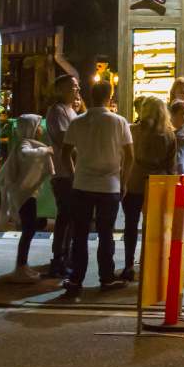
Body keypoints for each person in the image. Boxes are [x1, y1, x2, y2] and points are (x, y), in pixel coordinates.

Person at [60, 80, 134, 298]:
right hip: (110, 186)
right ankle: (106, 278)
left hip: (82, 184)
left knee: (80, 234)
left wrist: (74, 174)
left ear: (90, 96)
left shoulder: (78, 121)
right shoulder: (119, 122)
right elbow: (130, 156)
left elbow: (65, 153)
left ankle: (76, 279)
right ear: (109, 97)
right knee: (106, 234)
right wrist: (124, 181)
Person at [121, 96, 176, 282]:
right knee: (152, 227)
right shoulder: (169, 135)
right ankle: (149, 264)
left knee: (130, 225)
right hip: (157, 184)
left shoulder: (132, 130)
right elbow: (171, 166)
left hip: (133, 182)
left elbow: (124, 157)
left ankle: (129, 265)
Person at [0, 114, 54, 284]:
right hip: (24, 195)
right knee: (28, 230)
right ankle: (20, 267)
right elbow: (26, 154)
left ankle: (23, 265)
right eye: (38, 125)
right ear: (30, 128)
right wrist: (45, 151)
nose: (41, 129)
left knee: (30, 229)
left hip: (28, 194)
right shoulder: (24, 144)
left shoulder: (30, 143)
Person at [44, 75, 80, 278]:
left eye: (77, 86)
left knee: (71, 216)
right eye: (72, 86)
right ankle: (58, 259)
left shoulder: (71, 110)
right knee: (65, 216)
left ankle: (66, 256)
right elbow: (65, 141)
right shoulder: (57, 111)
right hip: (64, 172)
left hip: (73, 172)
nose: (77, 89)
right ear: (60, 89)